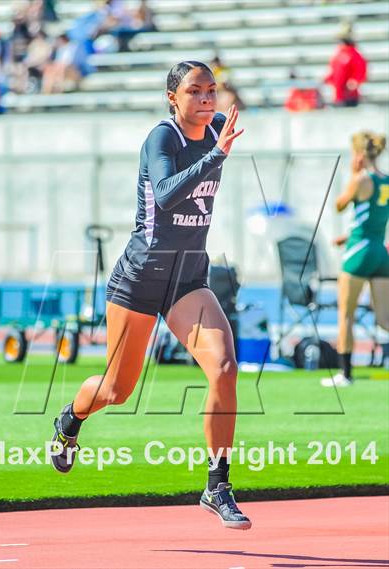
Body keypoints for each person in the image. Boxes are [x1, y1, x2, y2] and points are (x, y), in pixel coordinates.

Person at [51, 60, 251, 530]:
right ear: (172, 98)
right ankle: (69, 420)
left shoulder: (218, 127)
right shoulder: (163, 137)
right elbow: (164, 195)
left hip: (187, 279)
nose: (206, 99)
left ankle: (217, 484)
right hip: (141, 276)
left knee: (224, 367)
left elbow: (227, 124)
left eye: (211, 91)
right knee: (117, 390)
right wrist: (215, 156)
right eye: (195, 92)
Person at [321, 131, 389, 387]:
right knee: (385, 319)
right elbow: (372, 219)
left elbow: (339, 205)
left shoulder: (361, 179)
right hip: (380, 251)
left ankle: (345, 374)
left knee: (346, 315)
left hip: (359, 252)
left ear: (358, 154)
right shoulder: (387, 180)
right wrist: (347, 236)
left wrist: (352, 173)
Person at [324, 23, 367, 107]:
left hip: (349, 96)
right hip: (338, 95)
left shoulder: (353, 54)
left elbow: (361, 70)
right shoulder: (338, 54)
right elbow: (334, 72)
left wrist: (355, 81)